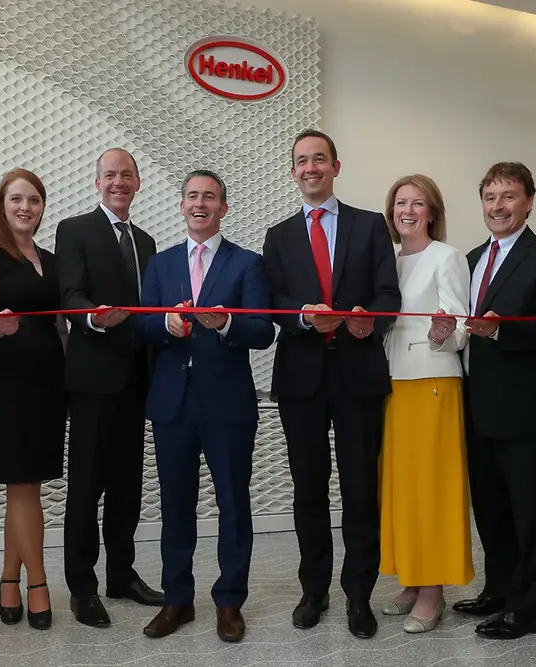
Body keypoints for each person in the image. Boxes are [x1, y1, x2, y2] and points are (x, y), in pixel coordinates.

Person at [261, 129, 400, 639]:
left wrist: (371, 321)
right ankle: (313, 589)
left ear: (336, 167)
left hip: (358, 374)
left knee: (360, 490)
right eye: (302, 161)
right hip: (301, 379)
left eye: (319, 159)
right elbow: (273, 301)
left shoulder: (369, 227)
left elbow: (388, 292)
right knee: (308, 491)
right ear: (293, 171)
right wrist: (300, 317)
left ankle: (358, 595)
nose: (311, 168)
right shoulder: (278, 236)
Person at [135, 170, 274, 643]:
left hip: (228, 405)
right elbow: (142, 327)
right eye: (192, 196)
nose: (201, 204)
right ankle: (177, 600)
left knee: (234, 504)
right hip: (172, 404)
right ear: (182, 206)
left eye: (210, 197)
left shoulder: (248, 264)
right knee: (176, 506)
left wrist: (227, 323)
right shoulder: (160, 263)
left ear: (224, 208)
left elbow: (263, 330)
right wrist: (167, 326)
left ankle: (230, 601)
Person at [454, 162, 536, 640]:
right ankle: (499, 591)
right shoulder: (468, 260)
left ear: (529, 201)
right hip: (477, 407)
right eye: (490, 197)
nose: (498, 206)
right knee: (490, 509)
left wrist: (502, 328)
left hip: (526, 410)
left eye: (509, 196)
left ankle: (526, 611)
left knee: (529, 515)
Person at [55, 148, 162, 628]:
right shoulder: (75, 230)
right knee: (86, 488)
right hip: (94, 380)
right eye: (110, 175)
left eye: (127, 175)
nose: (119, 182)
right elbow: (70, 294)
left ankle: (122, 573)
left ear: (137, 183)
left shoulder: (146, 241)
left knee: (127, 487)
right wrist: (93, 319)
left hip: (137, 381)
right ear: (98, 182)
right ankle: (82, 587)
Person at [0, 168, 67, 630]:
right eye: (16, 200)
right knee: (24, 486)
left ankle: (9, 578)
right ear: (1, 206)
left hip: (49, 384)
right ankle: (39, 584)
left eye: (34, 200)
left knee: (26, 487)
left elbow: (59, 323)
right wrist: (1, 326)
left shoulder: (49, 258)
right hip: (7, 386)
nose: (26, 208)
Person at [377, 174, 473, 634]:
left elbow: (459, 327)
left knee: (432, 490)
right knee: (403, 488)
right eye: (400, 203)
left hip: (433, 381)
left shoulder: (447, 257)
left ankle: (433, 590)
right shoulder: (389, 260)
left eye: (417, 203)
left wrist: (443, 334)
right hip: (395, 385)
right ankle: (413, 579)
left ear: (432, 211)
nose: (407, 211)